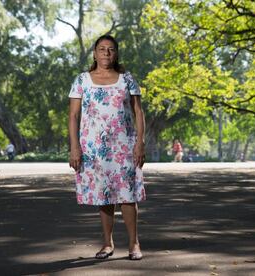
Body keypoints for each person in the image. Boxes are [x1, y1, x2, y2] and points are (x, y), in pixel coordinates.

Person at [68, 34, 146, 261]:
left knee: (127, 195)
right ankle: (107, 243)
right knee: (103, 196)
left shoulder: (127, 79)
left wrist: (140, 143)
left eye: (111, 49)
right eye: (102, 49)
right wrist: (75, 147)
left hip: (124, 145)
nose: (106, 53)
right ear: (94, 53)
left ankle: (134, 244)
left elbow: (138, 113)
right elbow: (73, 115)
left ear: (116, 53)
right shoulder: (82, 80)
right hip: (93, 148)